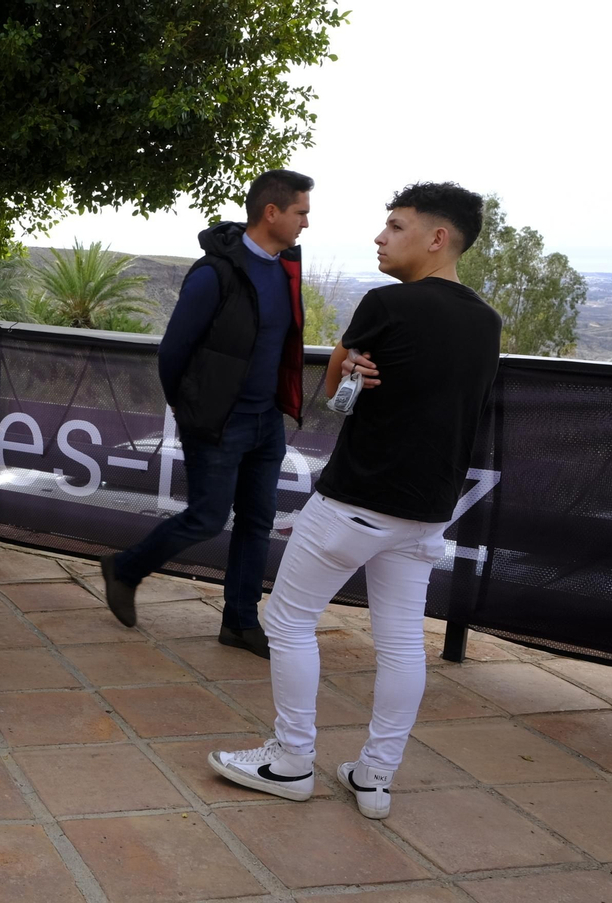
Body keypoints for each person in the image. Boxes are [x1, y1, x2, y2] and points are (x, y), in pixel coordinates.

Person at [209, 183, 500, 820]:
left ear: (436, 238)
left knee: (287, 622)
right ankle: (374, 778)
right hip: (427, 513)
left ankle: (289, 760)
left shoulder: (387, 304)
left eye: (394, 226)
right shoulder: (486, 322)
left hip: (355, 502)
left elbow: (338, 387)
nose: (380, 237)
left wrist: (349, 372)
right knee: (400, 645)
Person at [100, 170, 311, 658]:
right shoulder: (214, 272)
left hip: (266, 423)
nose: (306, 223)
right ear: (271, 212)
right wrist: (194, 410)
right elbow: (173, 352)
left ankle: (239, 622)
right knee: (206, 518)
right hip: (219, 422)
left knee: (258, 522)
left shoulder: (287, 267)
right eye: (301, 212)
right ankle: (125, 568)